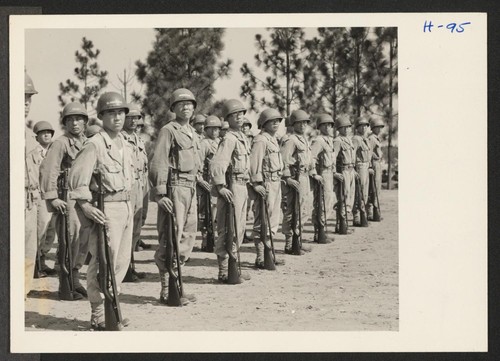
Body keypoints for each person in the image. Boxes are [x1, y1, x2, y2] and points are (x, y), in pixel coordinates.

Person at [68, 92, 133, 329]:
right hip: (108, 209)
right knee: (103, 262)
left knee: (120, 262)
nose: (117, 118)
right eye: (111, 113)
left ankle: (113, 306)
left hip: (125, 206)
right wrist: (86, 205)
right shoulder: (94, 144)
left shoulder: (124, 142)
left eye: (120, 113)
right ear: (102, 116)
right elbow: (77, 181)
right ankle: (98, 313)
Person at [149, 88, 199, 305]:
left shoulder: (193, 133)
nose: (186, 107)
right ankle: (166, 289)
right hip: (175, 186)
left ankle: (178, 285)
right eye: (181, 104)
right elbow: (158, 161)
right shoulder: (169, 130)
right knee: (171, 236)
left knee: (188, 237)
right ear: (174, 109)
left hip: (191, 186)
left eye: (189, 104)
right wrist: (160, 192)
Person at [40, 102, 89, 301]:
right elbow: (48, 170)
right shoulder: (61, 143)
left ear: (85, 122)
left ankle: (75, 279)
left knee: (82, 241)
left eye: (79, 119)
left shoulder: (87, 142)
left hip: (83, 196)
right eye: (70, 119)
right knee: (69, 241)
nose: (75, 123)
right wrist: (53, 198)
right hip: (67, 197)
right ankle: (65, 285)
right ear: (65, 123)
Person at [210, 99, 252, 283]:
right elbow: (218, 163)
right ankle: (224, 271)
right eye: (236, 114)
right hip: (233, 185)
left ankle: (234, 266)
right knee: (228, 229)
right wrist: (220, 186)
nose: (240, 117)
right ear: (228, 118)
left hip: (242, 185)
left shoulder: (241, 137)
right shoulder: (229, 139)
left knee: (239, 228)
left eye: (242, 113)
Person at [249, 108, 284, 268]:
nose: (276, 123)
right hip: (266, 183)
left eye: (278, 120)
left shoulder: (273, 139)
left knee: (273, 220)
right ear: (264, 123)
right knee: (262, 220)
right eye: (272, 120)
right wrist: (256, 183)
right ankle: (260, 256)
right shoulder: (261, 140)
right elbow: (254, 163)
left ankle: (269, 253)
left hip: (276, 182)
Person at [280, 109, 318, 255]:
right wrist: (287, 177)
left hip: (304, 176)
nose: (302, 125)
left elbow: (309, 159)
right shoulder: (290, 140)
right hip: (294, 178)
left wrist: (313, 173)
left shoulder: (304, 140)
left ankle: (298, 239)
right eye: (299, 123)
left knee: (303, 209)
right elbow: (283, 160)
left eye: (305, 123)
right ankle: (290, 243)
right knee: (292, 210)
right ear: (293, 124)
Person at [121, 103, 148, 282]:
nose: (133, 121)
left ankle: (130, 266)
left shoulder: (139, 140)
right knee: (126, 228)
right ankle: (123, 269)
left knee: (137, 227)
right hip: (127, 186)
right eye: (130, 117)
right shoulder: (120, 139)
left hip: (141, 185)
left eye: (136, 118)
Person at [29, 121, 57, 278]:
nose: (46, 135)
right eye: (42, 132)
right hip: (39, 196)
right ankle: (35, 264)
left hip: (52, 196)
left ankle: (43, 261)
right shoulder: (33, 154)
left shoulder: (54, 152)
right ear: (37, 137)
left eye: (49, 132)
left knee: (51, 232)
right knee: (40, 230)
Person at [310, 114, 343, 244]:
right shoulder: (318, 141)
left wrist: (334, 172)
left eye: (330, 125)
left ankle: (322, 231)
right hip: (322, 174)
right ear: (319, 127)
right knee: (321, 203)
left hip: (329, 173)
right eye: (325, 125)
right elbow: (312, 158)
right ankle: (319, 233)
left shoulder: (329, 141)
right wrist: (314, 173)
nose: (328, 127)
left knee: (328, 202)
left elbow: (332, 159)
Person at [25, 72, 40, 297]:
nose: (26, 103)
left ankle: (23, 293)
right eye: (21, 98)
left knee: (28, 250)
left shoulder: (30, 135)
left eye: (28, 98)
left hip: (29, 200)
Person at [196, 115, 221, 252]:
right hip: (207, 184)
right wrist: (201, 181)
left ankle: (214, 238)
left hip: (217, 184)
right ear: (206, 129)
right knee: (206, 214)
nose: (214, 132)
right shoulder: (204, 144)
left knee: (216, 213)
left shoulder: (221, 143)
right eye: (211, 129)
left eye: (216, 129)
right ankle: (206, 240)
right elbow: (198, 165)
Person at [332, 115, 356, 233]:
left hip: (351, 170)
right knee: (343, 197)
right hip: (343, 170)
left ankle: (343, 222)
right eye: (343, 127)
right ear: (338, 129)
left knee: (350, 196)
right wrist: (334, 172)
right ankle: (342, 223)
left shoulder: (349, 140)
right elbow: (333, 157)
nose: (346, 129)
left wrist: (354, 170)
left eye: (348, 127)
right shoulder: (338, 141)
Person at [352, 116, 373, 227]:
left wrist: (369, 166)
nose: (364, 127)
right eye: (361, 126)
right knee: (358, 191)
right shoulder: (356, 139)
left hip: (366, 166)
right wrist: (354, 169)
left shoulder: (366, 139)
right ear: (357, 127)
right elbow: (352, 154)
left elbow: (368, 155)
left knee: (364, 192)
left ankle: (363, 213)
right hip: (359, 166)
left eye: (366, 125)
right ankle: (356, 216)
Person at [367, 117, 385, 219]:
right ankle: (370, 211)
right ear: (373, 128)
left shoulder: (377, 138)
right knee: (372, 188)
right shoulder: (372, 139)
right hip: (374, 164)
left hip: (378, 163)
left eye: (380, 127)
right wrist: (370, 166)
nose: (379, 129)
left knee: (377, 187)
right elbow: (368, 154)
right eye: (377, 127)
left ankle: (375, 210)